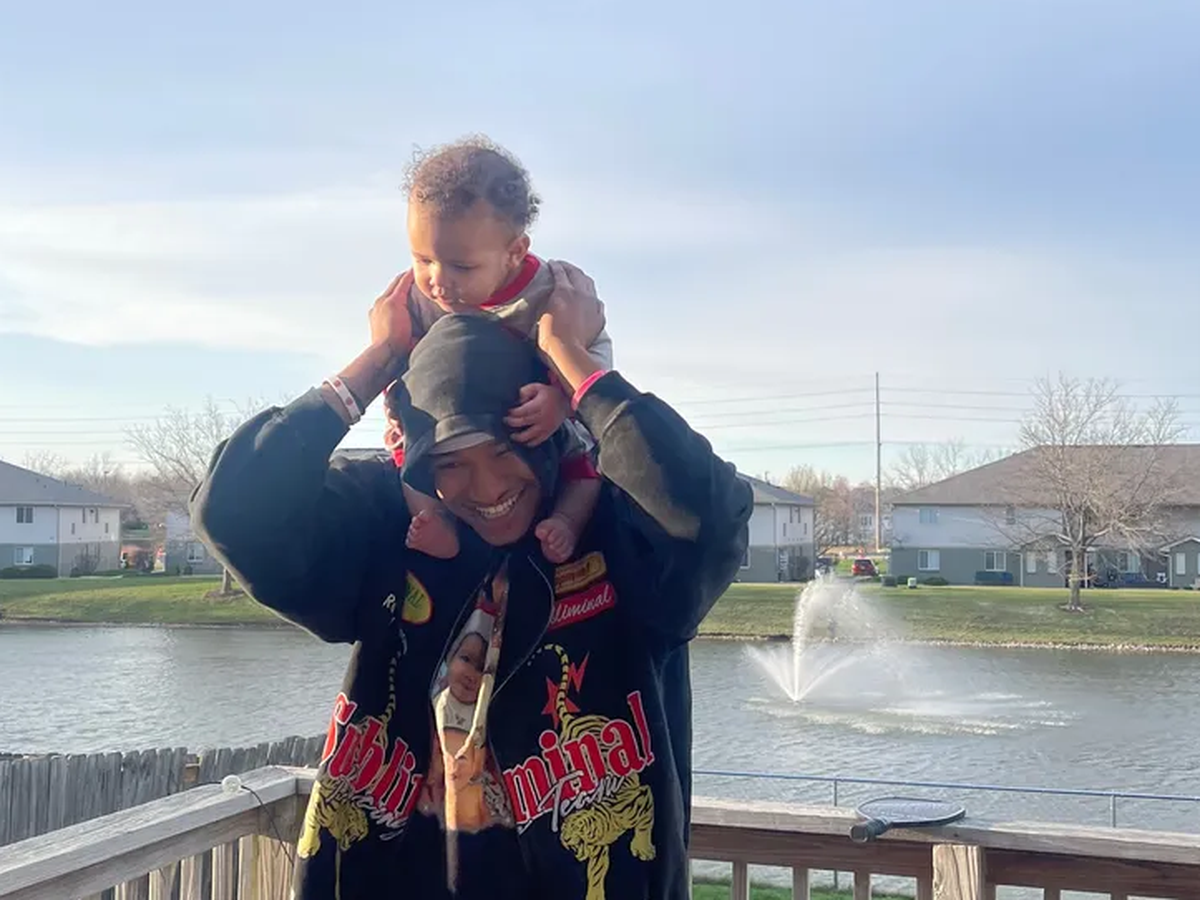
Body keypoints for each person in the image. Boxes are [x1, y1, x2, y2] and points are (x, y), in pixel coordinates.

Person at [189, 263, 752, 900]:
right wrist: (378, 361)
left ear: (545, 434)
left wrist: (574, 365)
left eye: (505, 451)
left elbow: (711, 515)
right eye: (450, 462)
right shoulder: (389, 524)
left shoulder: (621, 530)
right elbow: (232, 512)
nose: (485, 490)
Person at [387, 136, 612, 565]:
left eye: (461, 266)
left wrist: (562, 399)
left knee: (584, 465)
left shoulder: (550, 292)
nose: (438, 281)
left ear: (515, 252)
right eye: (422, 259)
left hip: (537, 425)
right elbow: (404, 358)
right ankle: (435, 522)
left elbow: (594, 346)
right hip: (453, 431)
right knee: (407, 454)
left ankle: (566, 522)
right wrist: (396, 402)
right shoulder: (417, 298)